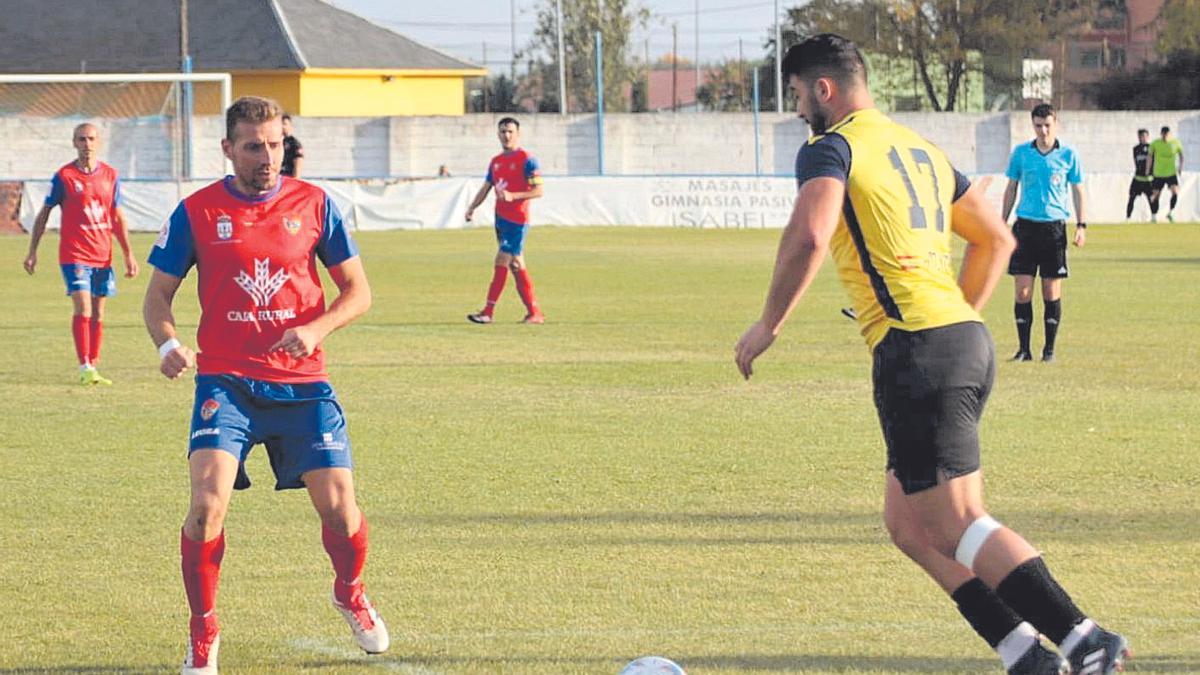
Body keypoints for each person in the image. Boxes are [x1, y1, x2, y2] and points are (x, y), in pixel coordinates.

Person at [734, 34, 1128, 675]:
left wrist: (768, 325)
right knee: (911, 527)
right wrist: (955, 322)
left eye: (798, 93)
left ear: (823, 89)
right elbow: (995, 240)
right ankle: (1026, 654)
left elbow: (809, 234)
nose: (798, 106)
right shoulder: (917, 147)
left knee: (959, 523)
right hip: (960, 339)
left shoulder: (831, 147)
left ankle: (1084, 638)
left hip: (918, 348)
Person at [143, 96, 387, 675]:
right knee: (206, 508)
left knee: (341, 512)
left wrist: (317, 326)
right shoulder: (195, 212)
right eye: (254, 146)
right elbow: (157, 297)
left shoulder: (316, 204)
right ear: (227, 149)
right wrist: (168, 344)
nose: (268, 157)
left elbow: (358, 291)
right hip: (225, 384)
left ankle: (349, 590)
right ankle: (204, 630)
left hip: (303, 386)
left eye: (276, 144)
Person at [23, 122, 139, 385]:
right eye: (81, 139)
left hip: (103, 255)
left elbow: (117, 217)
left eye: (91, 139)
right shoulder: (64, 177)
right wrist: (33, 251)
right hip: (74, 255)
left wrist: (128, 254)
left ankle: (93, 365)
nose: (87, 144)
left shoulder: (110, 175)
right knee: (83, 308)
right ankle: (84, 365)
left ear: (98, 142)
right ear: (74, 143)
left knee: (99, 313)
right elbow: (44, 213)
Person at [1001, 103, 1086, 363]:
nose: (1043, 130)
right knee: (1022, 291)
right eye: (1038, 125)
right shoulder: (1021, 154)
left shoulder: (1069, 155)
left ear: (1055, 123)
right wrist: (1000, 223)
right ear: (1032, 125)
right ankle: (1023, 350)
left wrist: (1081, 226)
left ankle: (1049, 350)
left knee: (1051, 291)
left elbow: (1078, 190)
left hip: (1054, 229)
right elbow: (1011, 189)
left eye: (1047, 125)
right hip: (1025, 228)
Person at [464, 116, 545, 324]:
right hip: (501, 220)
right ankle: (534, 313)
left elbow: (539, 190)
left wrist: (513, 196)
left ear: (518, 134)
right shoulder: (496, 162)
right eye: (502, 131)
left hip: (518, 221)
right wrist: (473, 207)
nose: (506, 135)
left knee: (502, 261)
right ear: (498, 134)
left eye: (510, 131)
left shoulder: (527, 159)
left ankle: (488, 312)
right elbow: (486, 187)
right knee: (517, 265)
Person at [1147, 125, 1184, 222]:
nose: (1165, 137)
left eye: (1167, 135)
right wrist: (1148, 169)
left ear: (1169, 134)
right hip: (1158, 174)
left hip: (1171, 173)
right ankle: (1154, 216)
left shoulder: (1176, 143)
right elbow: (1150, 156)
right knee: (1156, 195)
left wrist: (1180, 167)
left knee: (1175, 192)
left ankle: (1170, 213)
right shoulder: (1155, 143)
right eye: (1163, 135)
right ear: (1161, 134)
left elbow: (1181, 155)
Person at [1127, 129, 1153, 220]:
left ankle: (1154, 217)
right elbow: (1135, 162)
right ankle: (1128, 217)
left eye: (1145, 136)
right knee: (1131, 198)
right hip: (1138, 178)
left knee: (1151, 199)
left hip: (1148, 179)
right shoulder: (1135, 149)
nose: (1143, 138)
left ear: (1148, 137)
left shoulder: (1151, 148)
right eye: (1141, 136)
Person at [281, 113, 304, 178]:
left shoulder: (294, 144)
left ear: (290, 126)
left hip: (288, 178)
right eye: (280, 124)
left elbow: (298, 164)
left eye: (285, 124)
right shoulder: (276, 142)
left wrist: (295, 180)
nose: (282, 127)